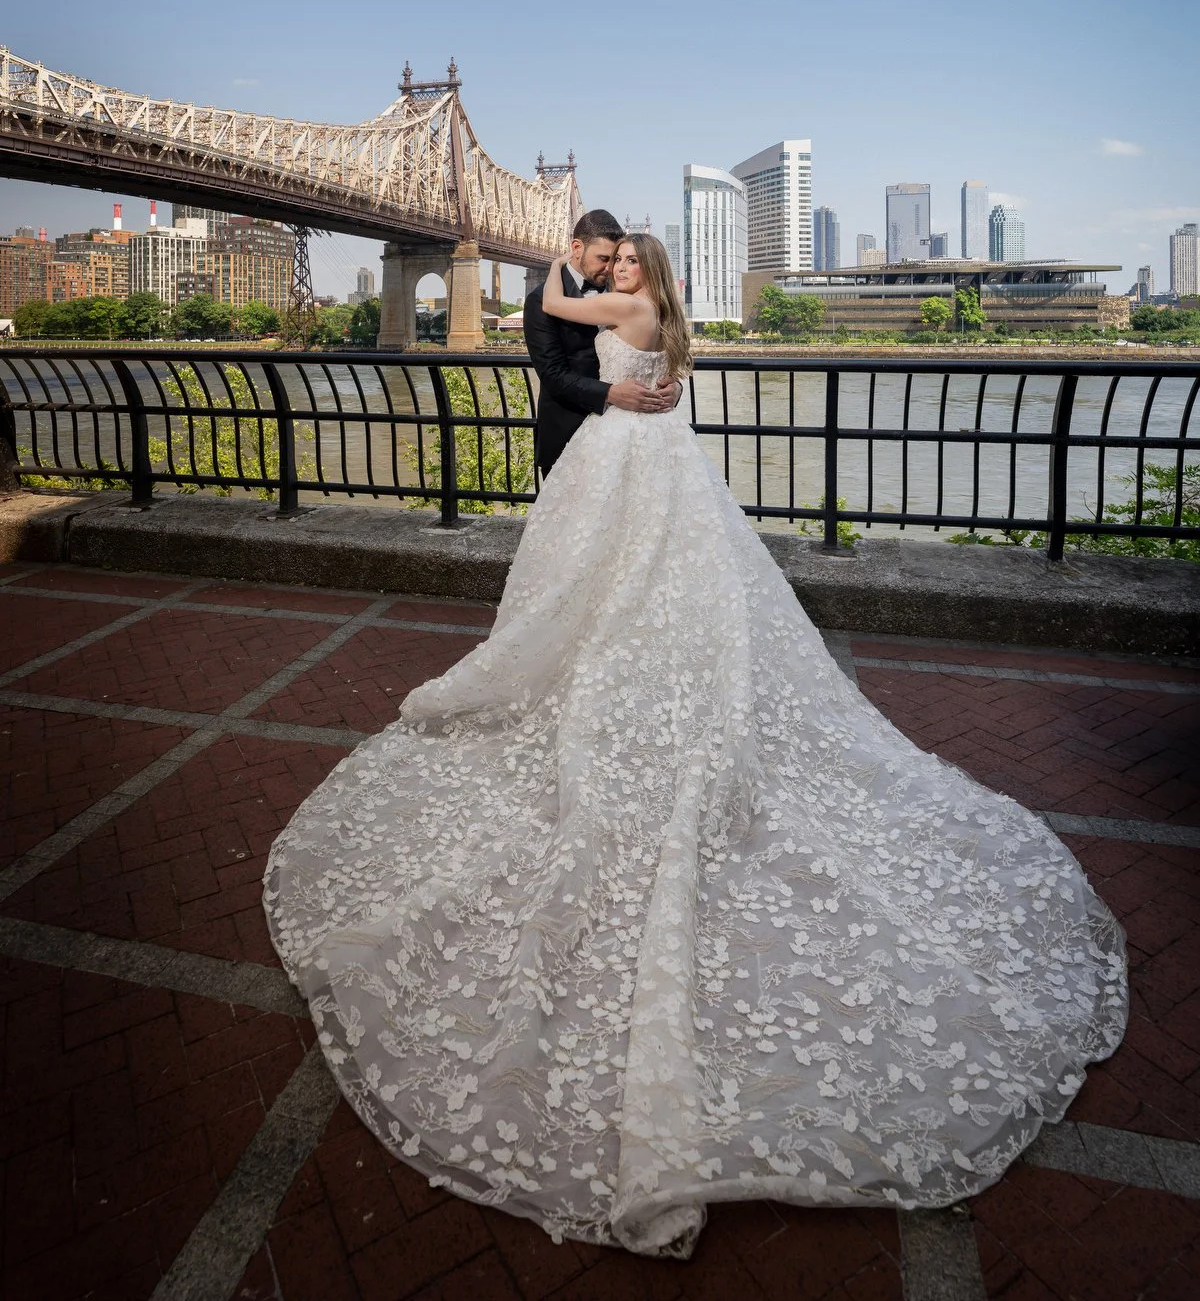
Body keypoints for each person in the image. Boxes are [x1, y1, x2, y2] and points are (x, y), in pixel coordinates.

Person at [264, 233, 1126, 1260]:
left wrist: (558, 265)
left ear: (645, 278)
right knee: (657, 581)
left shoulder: (619, 313)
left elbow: (547, 304)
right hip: (664, 467)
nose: (615, 270)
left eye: (627, 261)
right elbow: (629, 365)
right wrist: (612, 332)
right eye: (611, 260)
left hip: (622, 464)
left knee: (607, 579)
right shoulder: (676, 326)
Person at [522, 208, 678, 478]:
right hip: (568, 432)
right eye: (605, 259)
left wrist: (674, 387)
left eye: (618, 259)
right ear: (577, 248)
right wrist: (609, 393)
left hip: (631, 438)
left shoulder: (626, 294)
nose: (611, 268)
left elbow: (655, 354)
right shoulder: (538, 300)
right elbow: (552, 374)